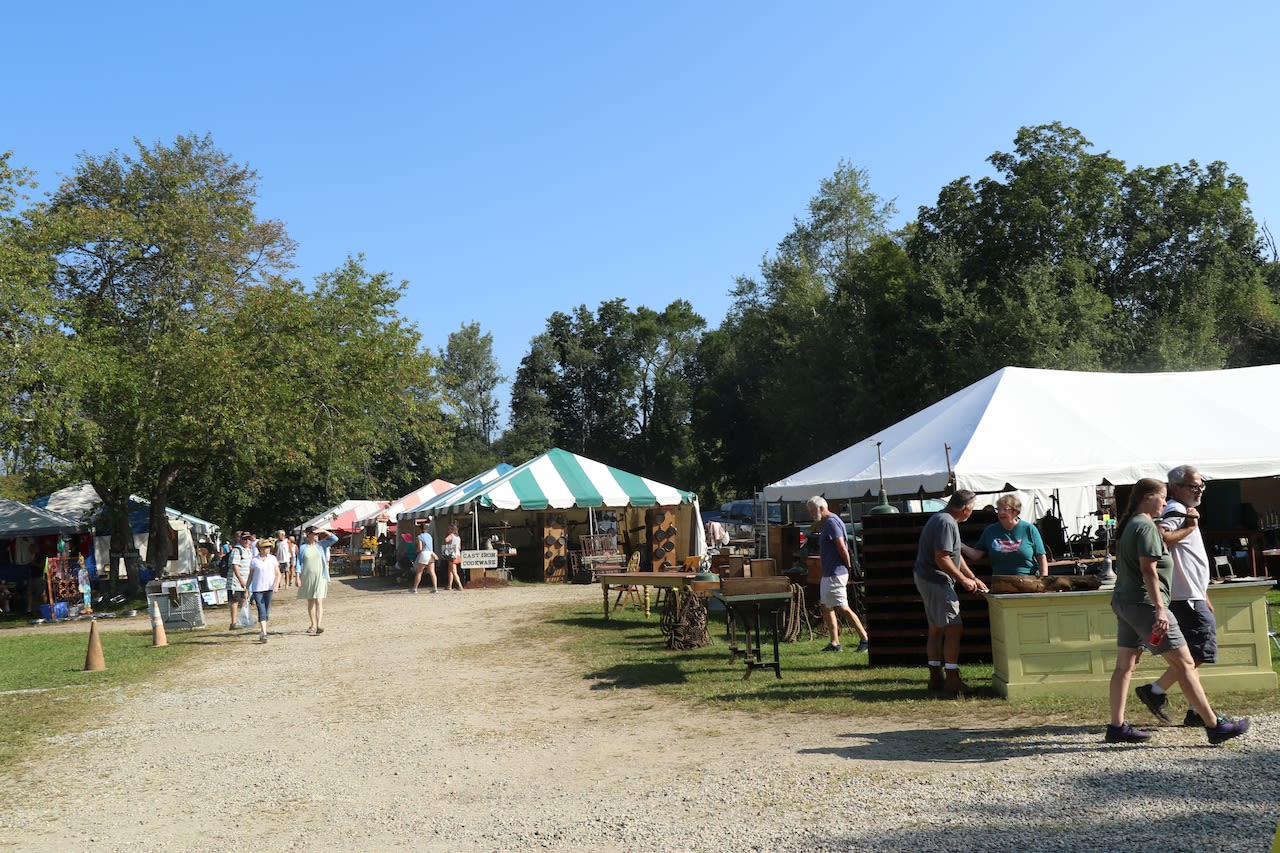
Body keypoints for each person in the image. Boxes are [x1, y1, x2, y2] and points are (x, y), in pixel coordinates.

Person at [1105, 477, 1249, 744]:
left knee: (1125, 667)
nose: (1165, 503)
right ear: (1148, 497)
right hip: (1146, 604)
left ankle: (1116, 727)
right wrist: (1160, 608)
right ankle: (1214, 725)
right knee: (1184, 663)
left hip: (1125, 603)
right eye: (1162, 497)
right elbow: (1149, 571)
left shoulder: (1131, 525)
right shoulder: (1146, 526)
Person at [1135, 465, 1217, 726]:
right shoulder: (1177, 510)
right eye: (1194, 486)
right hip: (1185, 597)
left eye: (1201, 485)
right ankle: (1157, 691)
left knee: (1193, 653)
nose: (1199, 490)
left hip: (1191, 594)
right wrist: (1190, 527)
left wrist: (1203, 592)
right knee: (1199, 652)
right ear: (1177, 488)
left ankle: (1193, 710)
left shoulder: (1180, 510)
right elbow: (1160, 538)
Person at [913, 490, 988, 695]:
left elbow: (953, 554)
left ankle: (936, 678)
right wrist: (963, 580)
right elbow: (942, 558)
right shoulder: (946, 522)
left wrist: (971, 577)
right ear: (965, 509)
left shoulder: (943, 518)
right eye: (972, 509)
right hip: (936, 580)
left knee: (936, 628)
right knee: (954, 628)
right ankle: (952, 681)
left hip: (927, 578)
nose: (971, 513)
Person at [805, 496, 870, 654]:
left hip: (836, 572)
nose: (811, 514)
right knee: (826, 606)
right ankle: (834, 643)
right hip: (829, 572)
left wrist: (848, 567)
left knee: (842, 607)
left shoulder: (832, 522)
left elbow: (841, 547)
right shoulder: (826, 522)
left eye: (813, 511)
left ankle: (865, 639)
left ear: (821, 508)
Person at [961, 494, 1048, 577]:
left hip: (1028, 580)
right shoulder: (990, 531)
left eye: (1005, 509)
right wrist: (960, 545)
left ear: (1015, 511)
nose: (1001, 512)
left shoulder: (1029, 529)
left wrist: (1043, 581)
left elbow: (1041, 557)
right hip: (1000, 582)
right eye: (998, 509)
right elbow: (976, 555)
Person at [297, 526, 338, 634]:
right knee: (311, 600)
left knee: (319, 600)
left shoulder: (322, 545)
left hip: (320, 576)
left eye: (317, 534)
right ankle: (313, 624)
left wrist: (324, 531)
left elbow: (335, 539)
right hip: (307, 577)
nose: (316, 536)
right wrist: (297, 577)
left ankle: (319, 625)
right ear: (308, 535)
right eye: (314, 534)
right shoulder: (303, 548)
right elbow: (298, 563)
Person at [246, 539, 281, 643]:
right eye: (266, 547)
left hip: (269, 588)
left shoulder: (273, 559)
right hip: (257, 589)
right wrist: (247, 588)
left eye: (269, 547)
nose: (268, 549)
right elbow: (251, 576)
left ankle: (264, 628)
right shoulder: (254, 560)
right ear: (260, 548)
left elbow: (278, 573)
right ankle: (264, 632)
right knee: (261, 609)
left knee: (266, 609)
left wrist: (276, 585)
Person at [226, 532, 254, 629]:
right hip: (236, 581)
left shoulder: (248, 550)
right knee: (235, 600)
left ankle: (243, 620)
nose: (247, 541)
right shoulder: (237, 550)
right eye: (244, 539)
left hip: (246, 580)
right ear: (240, 539)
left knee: (245, 599)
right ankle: (233, 623)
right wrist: (240, 579)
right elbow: (235, 566)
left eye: (248, 539)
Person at [410, 519, 437, 594]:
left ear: (420, 529)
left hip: (424, 554)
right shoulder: (430, 536)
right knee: (432, 572)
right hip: (431, 553)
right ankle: (435, 587)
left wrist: (416, 551)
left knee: (419, 572)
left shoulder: (419, 537)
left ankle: (415, 588)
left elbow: (420, 548)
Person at [441, 523, 464, 591]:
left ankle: (460, 585)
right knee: (450, 570)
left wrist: (447, 535)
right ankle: (449, 585)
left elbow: (446, 540)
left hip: (451, 554)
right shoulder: (458, 537)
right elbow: (459, 547)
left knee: (454, 571)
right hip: (457, 554)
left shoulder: (451, 535)